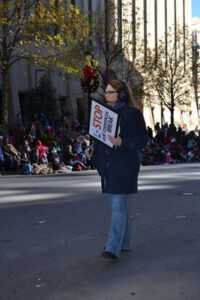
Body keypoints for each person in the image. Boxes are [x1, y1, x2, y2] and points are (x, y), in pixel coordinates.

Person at [92, 79, 148, 259]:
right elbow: (101, 137)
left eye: (110, 92)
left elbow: (142, 140)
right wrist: (94, 149)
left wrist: (123, 141)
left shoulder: (133, 113)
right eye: (106, 92)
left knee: (117, 204)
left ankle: (113, 247)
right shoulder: (104, 112)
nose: (106, 95)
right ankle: (125, 242)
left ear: (122, 94)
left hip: (125, 164)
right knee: (118, 204)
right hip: (109, 165)